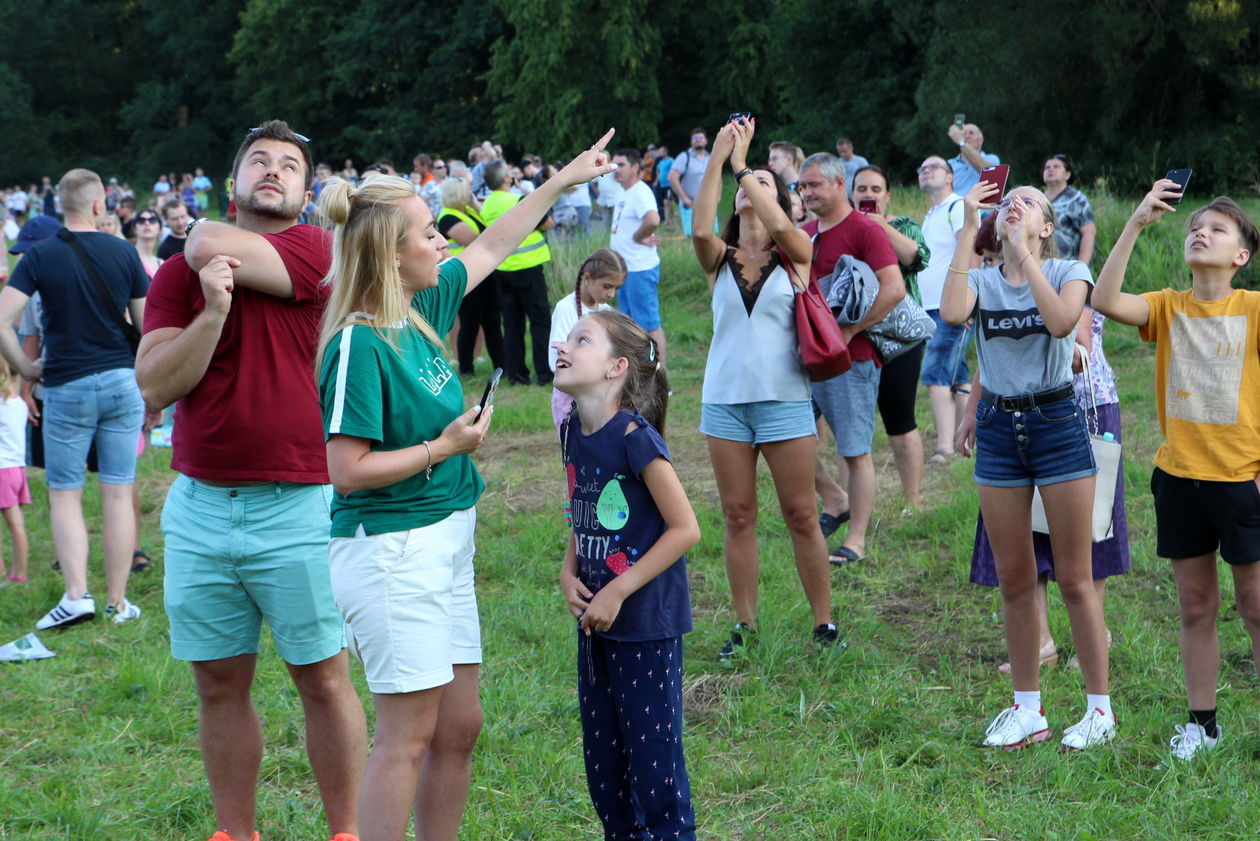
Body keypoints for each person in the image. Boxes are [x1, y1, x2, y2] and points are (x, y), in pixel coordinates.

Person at [317, 133, 615, 841]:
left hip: (444, 541)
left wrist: (562, 181)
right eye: (429, 233)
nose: (445, 242)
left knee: (459, 723)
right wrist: (441, 446)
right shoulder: (360, 341)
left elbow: (494, 243)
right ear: (393, 255)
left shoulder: (419, 308)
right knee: (408, 732)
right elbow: (346, 470)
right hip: (393, 550)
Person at [135, 121, 367, 841]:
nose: (272, 170)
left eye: (290, 164)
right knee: (218, 684)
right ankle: (235, 831)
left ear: (306, 191)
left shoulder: (318, 251)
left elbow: (203, 238)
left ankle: (347, 831)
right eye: (258, 160)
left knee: (323, 679)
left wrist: (206, 250)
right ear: (231, 180)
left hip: (299, 505)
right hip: (200, 506)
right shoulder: (178, 279)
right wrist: (212, 314)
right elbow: (154, 385)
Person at [1092, 183, 1260, 761]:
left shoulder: (1255, 309)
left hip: (1244, 480)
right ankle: (1202, 725)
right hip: (1179, 478)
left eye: (1217, 229)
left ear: (1241, 256)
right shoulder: (1166, 305)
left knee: (1256, 606)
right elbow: (1105, 299)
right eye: (1196, 226)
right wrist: (1135, 222)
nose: (1201, 232)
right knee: (1195, 607)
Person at [945, 182, 1114, 751]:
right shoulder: (983, 280)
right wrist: (972, 227)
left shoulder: (1069, 270)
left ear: (1047, 225)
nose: (1014, 203)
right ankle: (1027, 709)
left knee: (1074, 577)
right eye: (1007, 200)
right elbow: (950, 311)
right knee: (1015, 579)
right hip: (999, 429)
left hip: (1056, 424)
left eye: (1030, 202)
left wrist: (1023, 256)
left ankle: (1098, 710)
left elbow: (1063, 322)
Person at [691, 118, 837, 658]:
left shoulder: (797, 252)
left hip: (784, 400)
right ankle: (745, 626)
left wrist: (744, 166)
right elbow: (701, 228)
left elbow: (782, 224)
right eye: (742, 189)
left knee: (801, 513)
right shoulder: (718, 260)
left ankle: (824, 624)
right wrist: (719, 159)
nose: (747, 192)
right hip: (724, 402)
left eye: (762, 186)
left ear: (780, 201)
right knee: (738, 515)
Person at [554, 309, 700, 841]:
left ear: (616, 367)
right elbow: (582, 509)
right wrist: (569, 568)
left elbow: (685, 528)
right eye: (567, 337)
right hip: (595, 622)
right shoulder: (572, 427)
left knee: (653, 767)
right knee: (605, 773)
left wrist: (617, 590)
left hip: (644, 625)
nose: (563, 346)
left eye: (581, 339)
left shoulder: (636, 438)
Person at [0, 168, 149, 628]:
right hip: (123, 383)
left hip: (65, 385)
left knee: (65, 496)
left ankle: (76, 595)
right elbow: (147, 329)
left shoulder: (40, 256)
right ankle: (118, 602)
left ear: (56, 206)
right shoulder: (125, 252)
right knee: (118, 493)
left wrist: (26, 370)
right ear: (102, 204)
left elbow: (2, 317)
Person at [798, 153, 905, 565]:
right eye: (802, 187)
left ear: (838, 184)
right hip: (805, 358)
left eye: (813, 185)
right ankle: (834, 498)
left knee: (854, 450)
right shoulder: (804, 233)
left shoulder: (863, 229)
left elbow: (893, 289)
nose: (806, 193)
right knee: (785, 438)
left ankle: (855, 540)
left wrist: (849, 331)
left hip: (850, 360)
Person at [850, 165, 930, 510]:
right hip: (854, 337)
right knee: (851, 427)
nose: (868, 195)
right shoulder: (841, 226)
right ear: (850, 193)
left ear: (888, 195)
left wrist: (879, 226)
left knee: (900, 420)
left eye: (876, 189)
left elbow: (916, 258)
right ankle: (851, 501)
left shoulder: (903, 226)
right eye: (862, 188)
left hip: (900, 337)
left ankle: (911, 501)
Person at [917, 155, 972, 464]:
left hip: (951, 306)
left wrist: (968, 301)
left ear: (950, 176)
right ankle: (970, 441)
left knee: (936, 373)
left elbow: (971, 251)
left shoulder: (957, 207)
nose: (927, 171)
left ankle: (945, 448)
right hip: (931, 307)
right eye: (923, 169)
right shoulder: (932, 213)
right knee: (956, 374)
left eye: (934, 167)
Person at [480, 159, 553, 385]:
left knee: (512, 325)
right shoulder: (518, 200)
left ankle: (517, 375)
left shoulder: (486, 205)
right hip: (528, 267)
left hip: (503, 270)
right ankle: (544, 373)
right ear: (506, 179)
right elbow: (547, 222)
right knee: (540, 322)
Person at [547, 248, 626, 429]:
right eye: (607, 286)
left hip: (602, 397)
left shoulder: (608, 313)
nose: (611, 294)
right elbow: (557, 362)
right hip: (571, 398)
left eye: (616, 288)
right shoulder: (566, 309)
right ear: (587, 278)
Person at [439, 177, 503, 376]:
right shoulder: (448, 217)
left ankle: (502, 366)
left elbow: (487, 228)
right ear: (457, 194)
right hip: (468, 276)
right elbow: (476, 241)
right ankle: (466, 368)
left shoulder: (469, 211)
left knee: (492, 323)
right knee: (470, 324)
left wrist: (475, 205)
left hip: (485, 275)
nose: (471, 194)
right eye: (467, 191)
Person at [609, 149, 666, 365]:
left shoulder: (640, 191)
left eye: (621, 165)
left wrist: (638, 236)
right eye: (614, 165)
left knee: (649, 324)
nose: (616, 169)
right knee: (630, 323)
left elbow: (653, 219)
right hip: (624, 270)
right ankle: (639, 371)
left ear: (635, 167)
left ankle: (659, 377)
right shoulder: (623, 191)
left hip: (639, 269)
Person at [0, 359, 30, 583]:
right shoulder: (19, 403)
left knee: (12, 523)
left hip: (2, 469)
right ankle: (19, 572)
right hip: (17, 469)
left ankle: (6, 572)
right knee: (16, 523)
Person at [1043, 154, 1096, 265]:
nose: (1051, 169)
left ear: (1067, 174)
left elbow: (1088, 233)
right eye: (1047, 167)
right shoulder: (1038, 199)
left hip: (1067, 266)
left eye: (1056, 166)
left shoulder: (1077, 199)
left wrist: (1081, 267)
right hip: (1041, 267)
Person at [668, 127, 712, 236]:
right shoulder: (684, 157)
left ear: (706, 141)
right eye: (695, 138)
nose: (698, 140)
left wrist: (718, 196)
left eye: (700, 138)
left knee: (710, 236)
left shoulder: (710, 157)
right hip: (690, 205)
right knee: (692, 237)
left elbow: (717, 178)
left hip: (708, 205)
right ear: (691, 141)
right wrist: (684, 198)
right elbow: (672, 178)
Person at [946, 121, 1000, 196]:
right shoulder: (949, 164)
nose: (967, 136)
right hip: (956, 206)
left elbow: (988, 173)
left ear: (980, 140)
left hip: (981, 207)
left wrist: (961, 142)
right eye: (964, 134)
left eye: (971, 133)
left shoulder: (992, 159)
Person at [132, 209, 164, 277]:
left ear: (160, 230)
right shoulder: (128, 258)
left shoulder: (161, 264)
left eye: (153, 220)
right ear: (134, 229)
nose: (147, 223)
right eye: (141, 220)